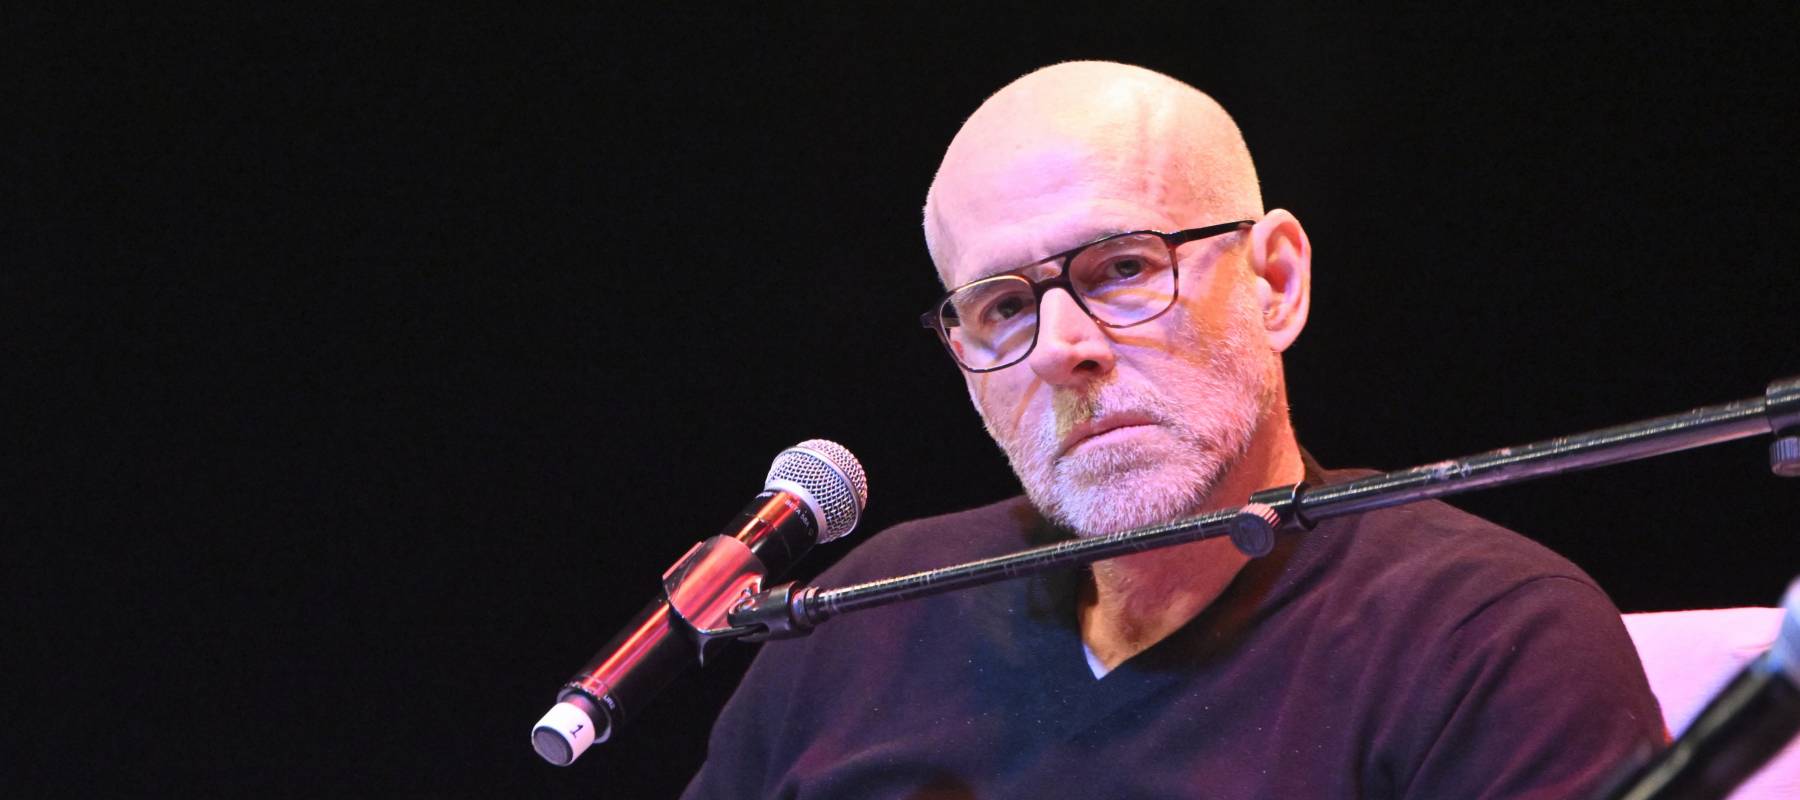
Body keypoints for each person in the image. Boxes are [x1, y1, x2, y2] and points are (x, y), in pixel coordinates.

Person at [682, 61, 1664, 799]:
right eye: (1002, 306)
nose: (1065, 345)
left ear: (1275, 281)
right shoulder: (858, 621)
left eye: (1121, 267)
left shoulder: (1483, 637)